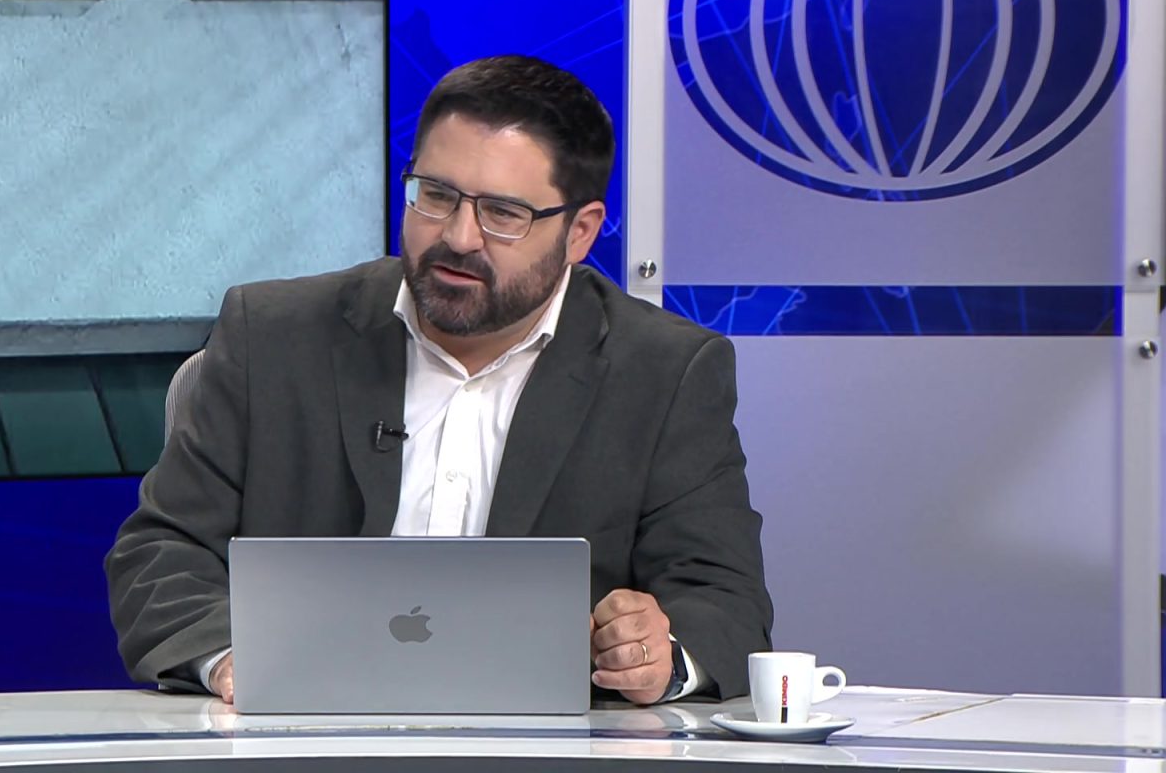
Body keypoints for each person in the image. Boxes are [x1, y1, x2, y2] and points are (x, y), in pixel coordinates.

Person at [106, 55, 772, 706]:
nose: (458, 236)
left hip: (546, 751)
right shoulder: (273, 336)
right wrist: (231, 659)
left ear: (580, 232)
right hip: (300, 737)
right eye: (436, 195)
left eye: (503, 213)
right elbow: (161, 553)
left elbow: (725, 602)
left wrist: (660, 655)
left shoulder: (664, 373)